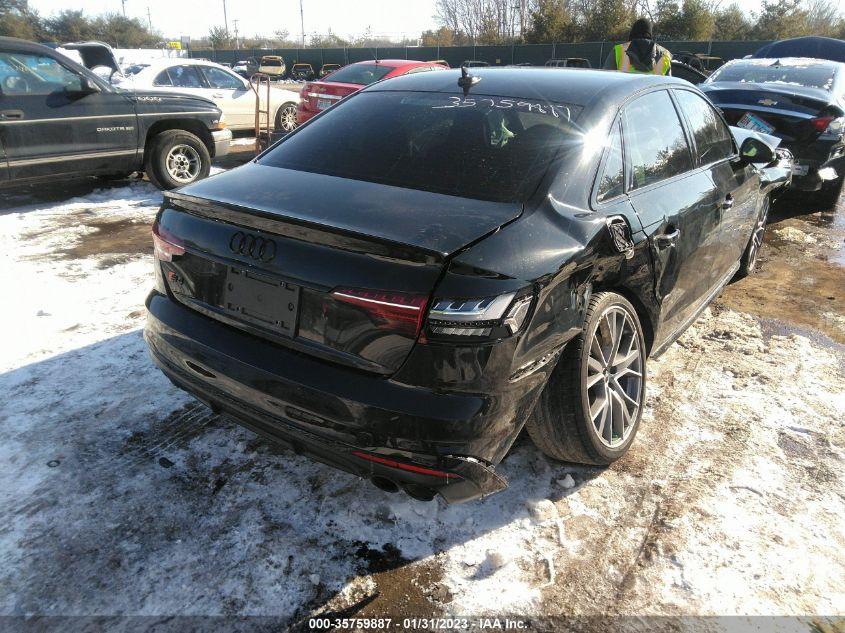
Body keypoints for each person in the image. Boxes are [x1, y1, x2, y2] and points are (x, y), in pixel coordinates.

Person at [604, 18, 672, 75]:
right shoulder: (665, 54)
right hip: (654, 91)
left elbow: (606, 78)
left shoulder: (618, 50)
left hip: (625, 91)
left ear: (632, 32)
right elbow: (669, 84)